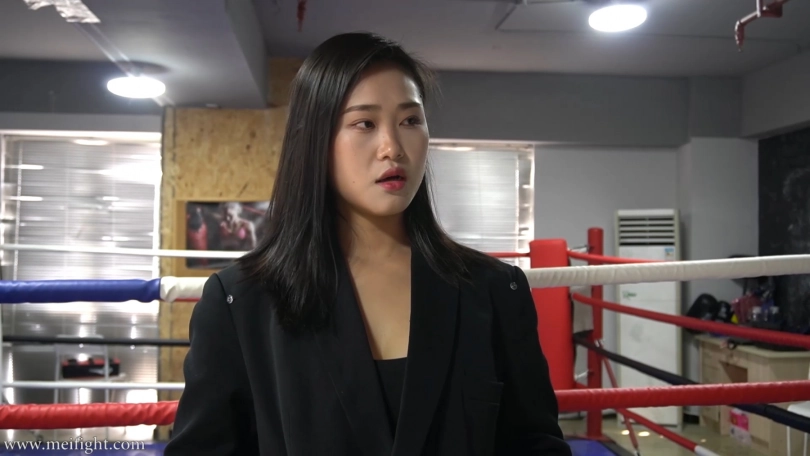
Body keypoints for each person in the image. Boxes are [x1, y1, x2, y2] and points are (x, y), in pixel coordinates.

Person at [164, 32, 571, 456]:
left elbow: (534, 444)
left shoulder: (493, 290)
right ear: (316, 139)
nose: (393, 148)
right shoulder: (241, 302)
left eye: (410, 121)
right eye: (365, 124)